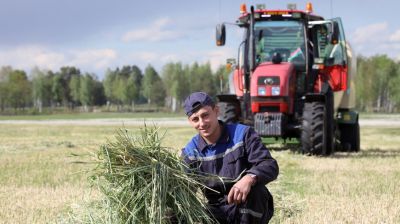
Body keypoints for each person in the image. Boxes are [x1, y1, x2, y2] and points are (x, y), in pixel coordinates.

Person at [181, 92, 279, 223]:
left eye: (205, 115)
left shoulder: (243, 134)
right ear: (190, 121)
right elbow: (184, 189)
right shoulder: (190, 151)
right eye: (195, 119)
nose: (202, 123)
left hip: (246, 204)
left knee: (257, 191)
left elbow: (269, 164)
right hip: (216, 211)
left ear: (216, 111)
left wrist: (249, 178)